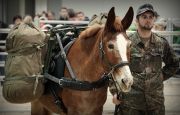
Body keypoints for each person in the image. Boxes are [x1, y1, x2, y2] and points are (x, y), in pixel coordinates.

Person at [109, 3, 179, 115]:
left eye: (151, 17)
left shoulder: (161, 43)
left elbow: (174, 63)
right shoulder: (127, 43)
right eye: (144, 17)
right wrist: (114, 92)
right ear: (136, 21)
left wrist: (160, 76)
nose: (148, 20)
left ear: (154, 20)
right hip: (130, 104)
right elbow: (114, 67)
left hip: (155, 103)